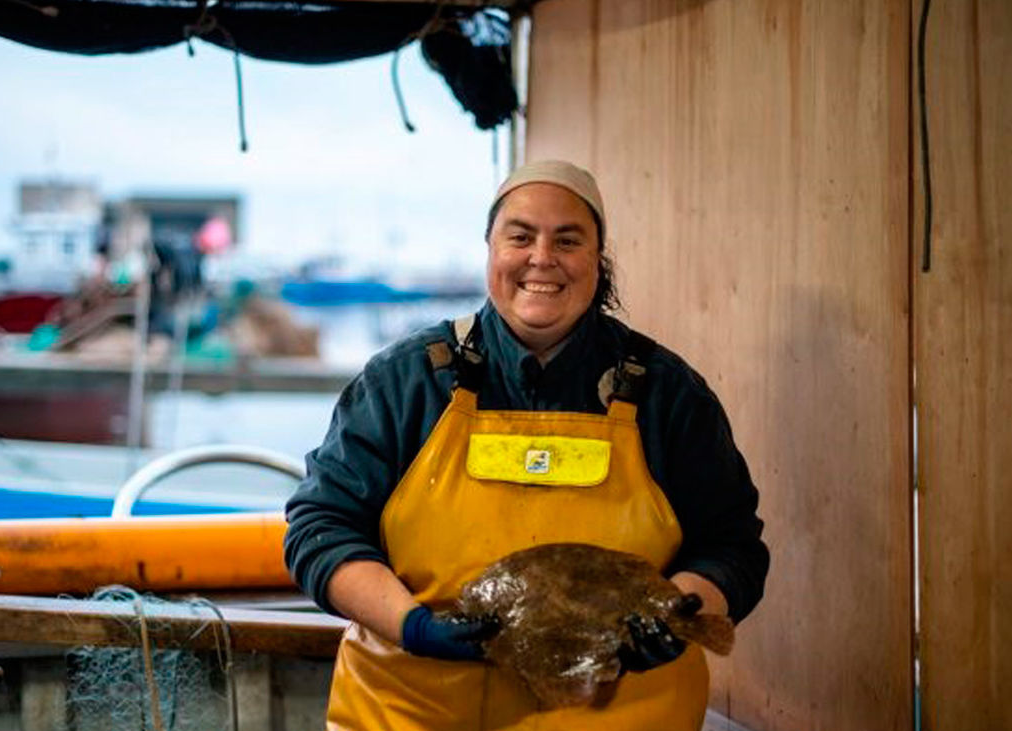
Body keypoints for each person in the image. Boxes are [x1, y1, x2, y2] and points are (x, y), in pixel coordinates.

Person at [283, 160, 768, 730]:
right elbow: (320, 528)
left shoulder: (667, 393)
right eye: (520, 236)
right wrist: (412, 626)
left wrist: (678, 612)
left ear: (597, 258)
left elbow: (732, 547)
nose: (542, 258)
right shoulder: (407, 380)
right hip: (411, 713)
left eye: (568, 240)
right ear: (490, 250)